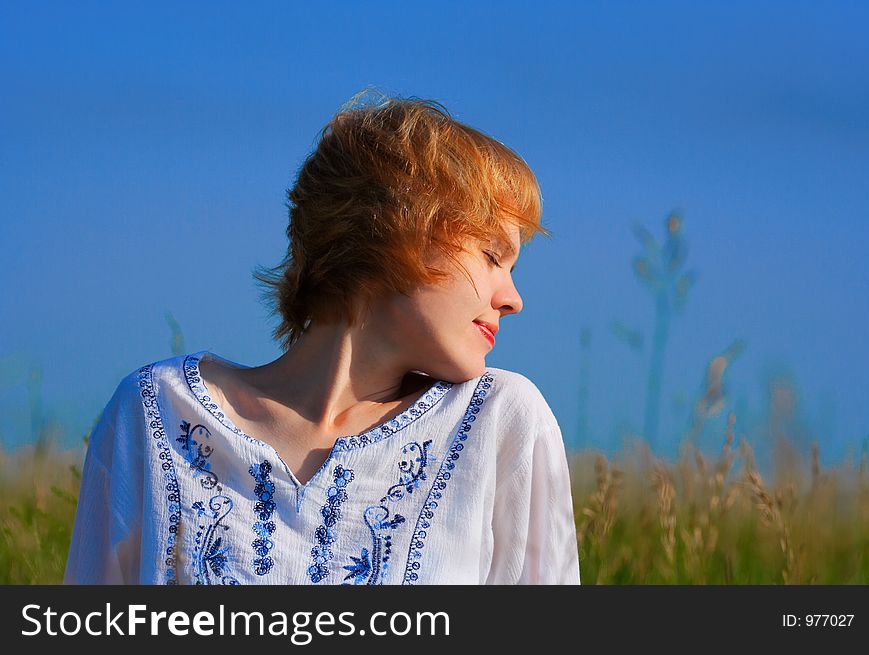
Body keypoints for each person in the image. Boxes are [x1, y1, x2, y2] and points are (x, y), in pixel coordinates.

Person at [64, 90, 581, 585]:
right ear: (400, 225)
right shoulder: (155, 413)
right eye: (492, 256)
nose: (513, 299)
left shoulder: (501, 420)